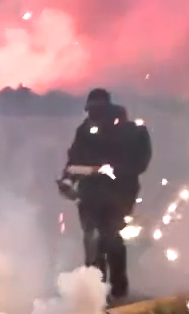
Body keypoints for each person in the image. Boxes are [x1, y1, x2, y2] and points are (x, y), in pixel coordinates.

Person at [59, 87, 151, 302]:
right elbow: (74, 159)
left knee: (110, 237)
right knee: (92, 238)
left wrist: (114, 171)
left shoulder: (128, 131)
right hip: (90, 192)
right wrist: (68, 180)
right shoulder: (85, 130)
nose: (93, 114)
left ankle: (118, 290)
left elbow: (140, 162)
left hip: (119, 192)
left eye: (97, 110)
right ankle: (95, 291)